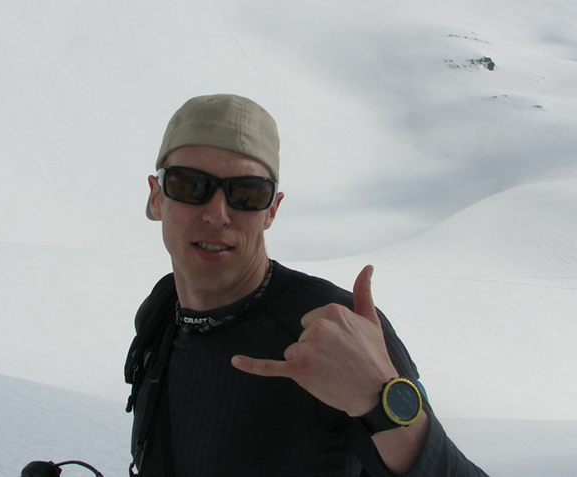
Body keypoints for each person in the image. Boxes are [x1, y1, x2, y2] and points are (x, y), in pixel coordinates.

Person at [125, 94, 487, 476]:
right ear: (156, 197)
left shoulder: (335, 332)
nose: (217, 215)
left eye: (247, 193)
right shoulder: (162, 313)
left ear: (272, 210)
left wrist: (378, 400)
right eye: (188, 185)